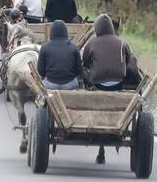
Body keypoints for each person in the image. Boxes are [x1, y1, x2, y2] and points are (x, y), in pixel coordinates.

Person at [81, 13, 138, 163]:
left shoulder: (91, 43)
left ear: (97, 28)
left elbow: (85, 65)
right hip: (119, 84)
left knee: (83, 74)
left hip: (98, 84)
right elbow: (129, 63)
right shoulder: (121, 42)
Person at [37, 19, 82, 90]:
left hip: (50, 83)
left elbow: (40, 70)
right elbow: (79, 69)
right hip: (69, 84)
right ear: (65, 32)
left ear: (51, 32)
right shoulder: (73, 47)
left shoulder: (45, 47)